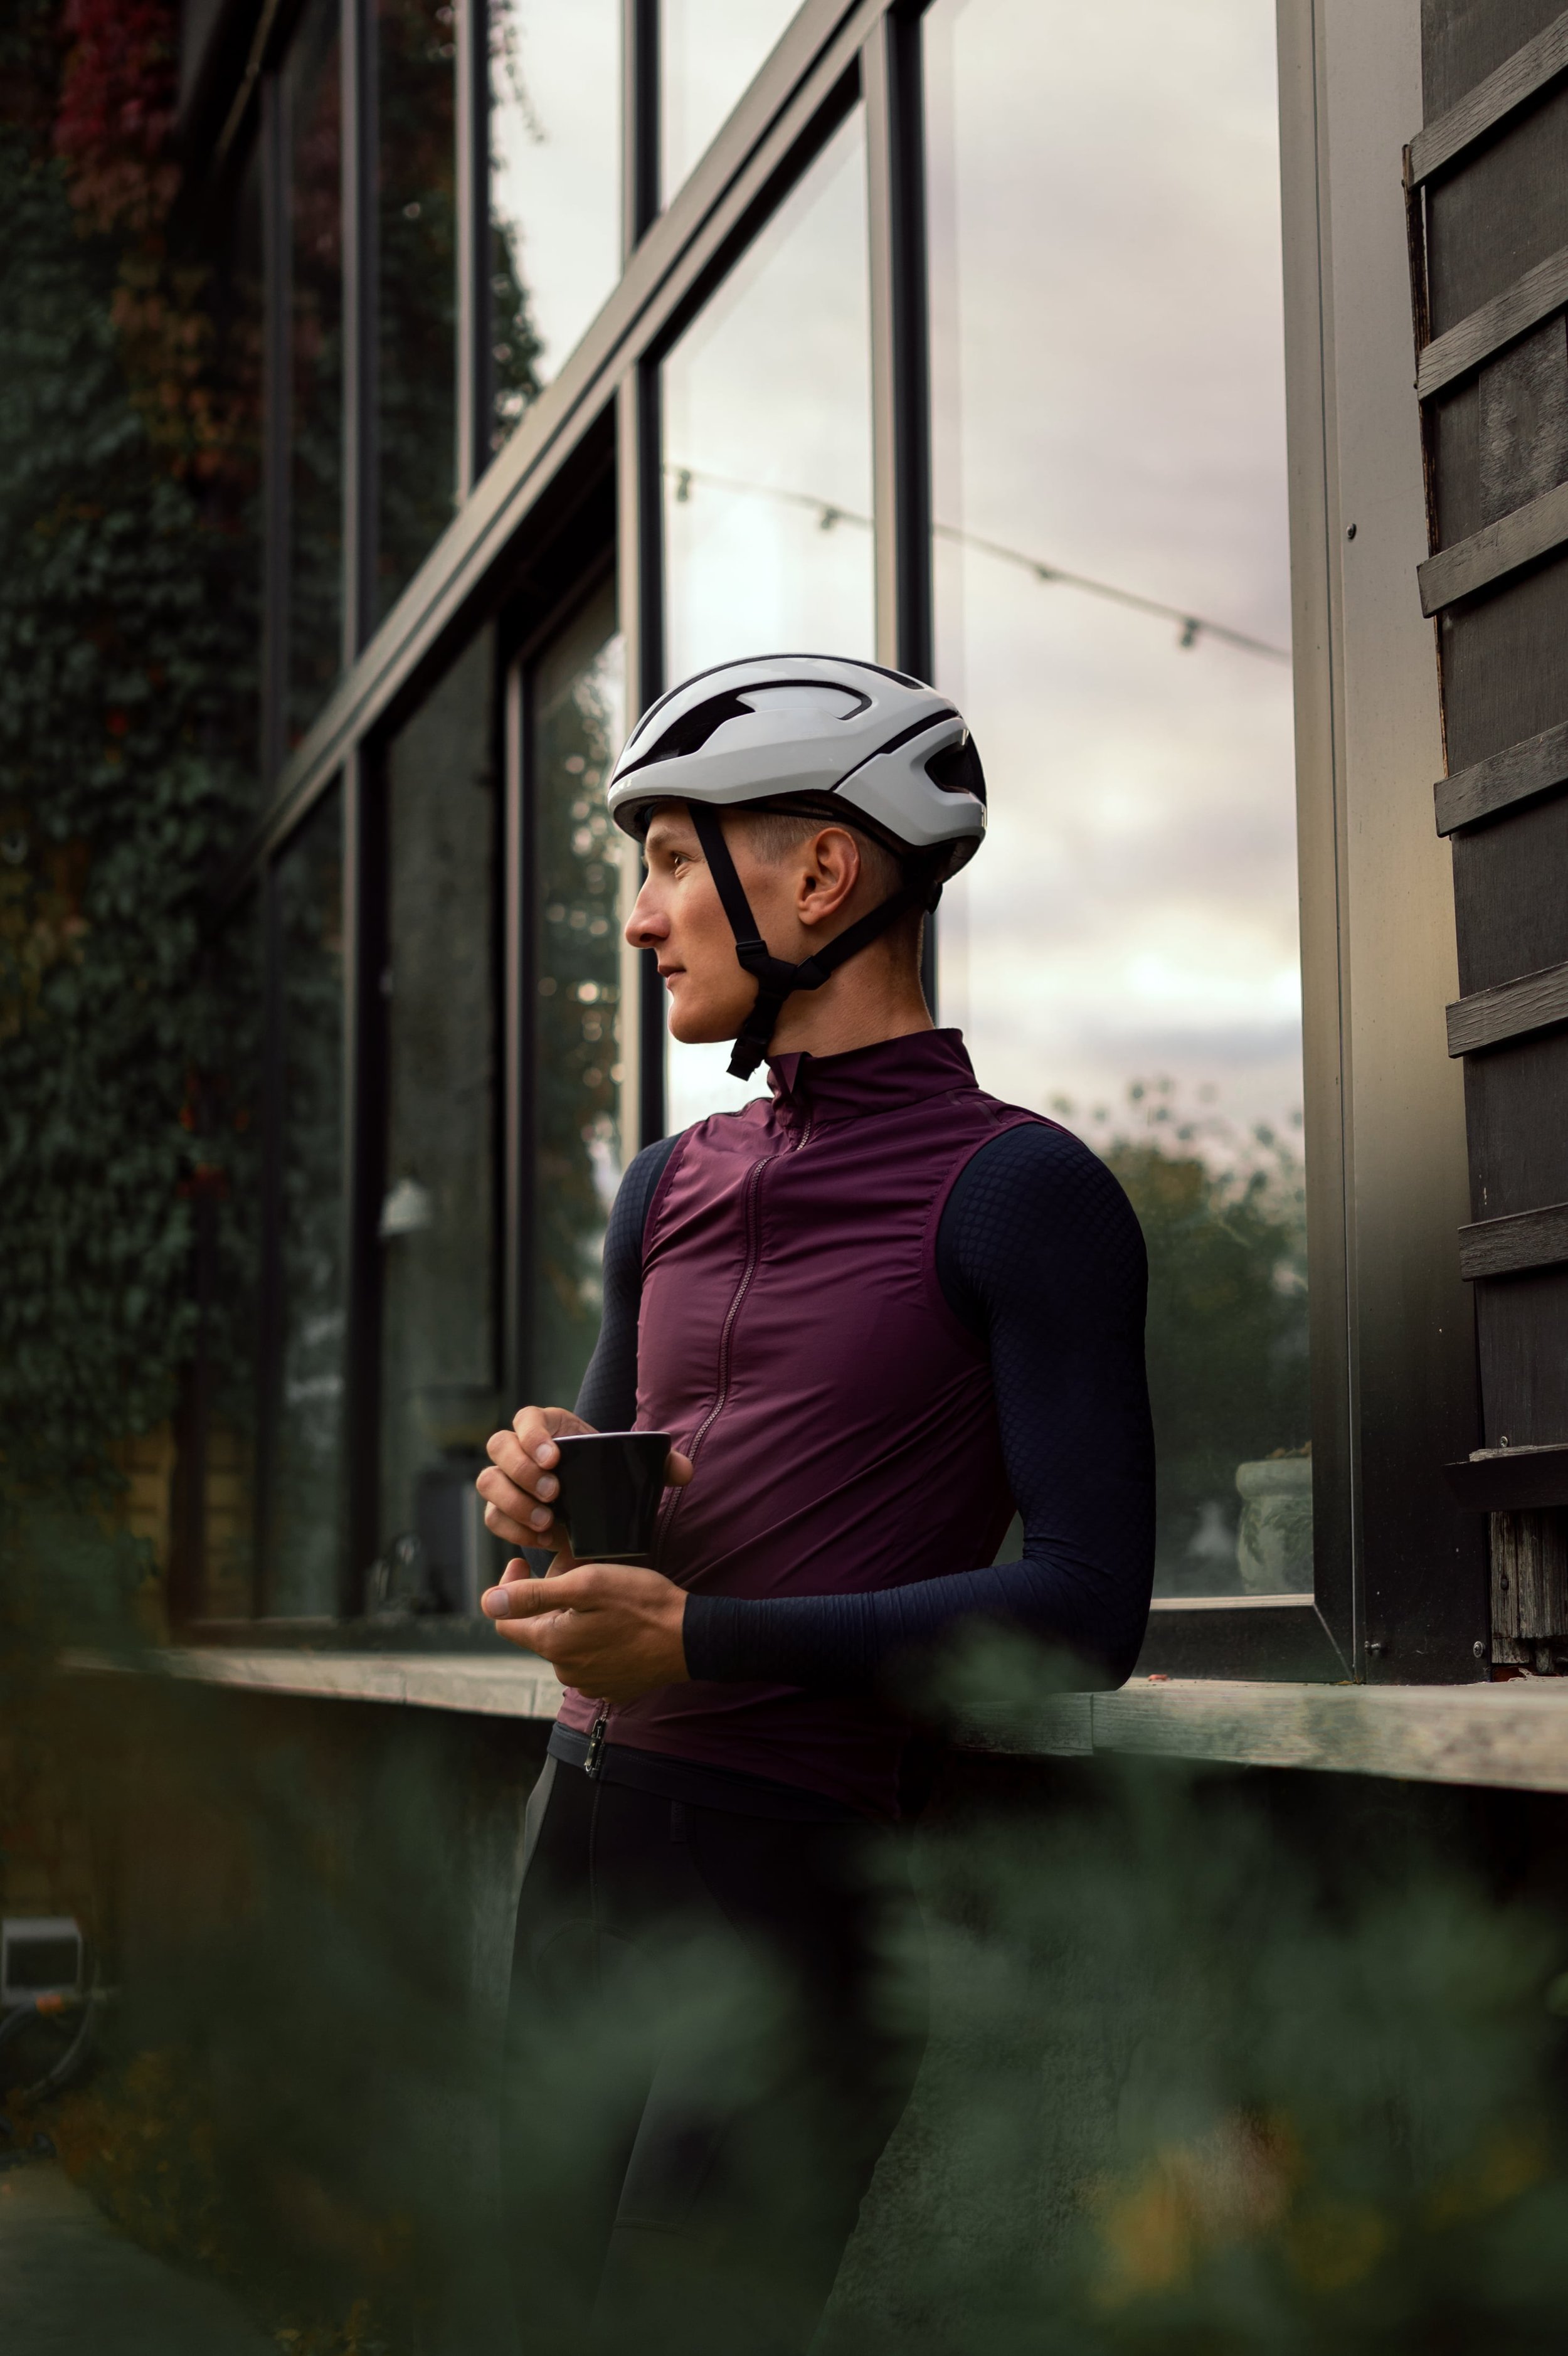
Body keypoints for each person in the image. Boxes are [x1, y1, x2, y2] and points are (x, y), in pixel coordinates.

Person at [477, 655, 1154, 2353]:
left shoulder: (1021, 1193)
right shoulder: (668, 1183)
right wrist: (544, 1481)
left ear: (823, 875)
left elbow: (1085, 1611)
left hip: (797, 1880)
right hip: (580, 1834)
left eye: (668, 860)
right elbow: (615, 1506)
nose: (642, 918)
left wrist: (698, 1637)